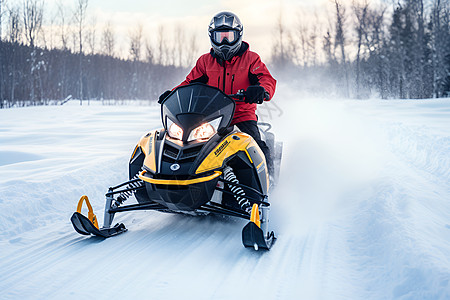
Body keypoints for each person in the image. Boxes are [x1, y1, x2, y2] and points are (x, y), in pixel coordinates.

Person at [159, 11, 276, 176]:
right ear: (212, 37)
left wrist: (261, 90)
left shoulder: (251, 59)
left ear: (239, 35)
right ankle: (179, 177)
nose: (225, 42)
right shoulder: (205, 61)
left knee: (255, 145)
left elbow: (266, 79)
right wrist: (172, 94)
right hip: (211, 116)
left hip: (242, 115)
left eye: (229, 36)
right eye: (220, 37)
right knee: (184, 142)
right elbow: (189, 83)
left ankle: (267, 180)